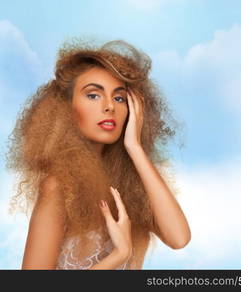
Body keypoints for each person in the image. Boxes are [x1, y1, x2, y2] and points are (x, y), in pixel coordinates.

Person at [5, 38, 191, 270]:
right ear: (66, 109)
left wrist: (135, 148)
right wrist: (118, 255)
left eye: (119, 98)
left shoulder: (132, 186)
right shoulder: (59, 187)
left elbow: (179, 238)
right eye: (93, 95)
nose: (109, 107)